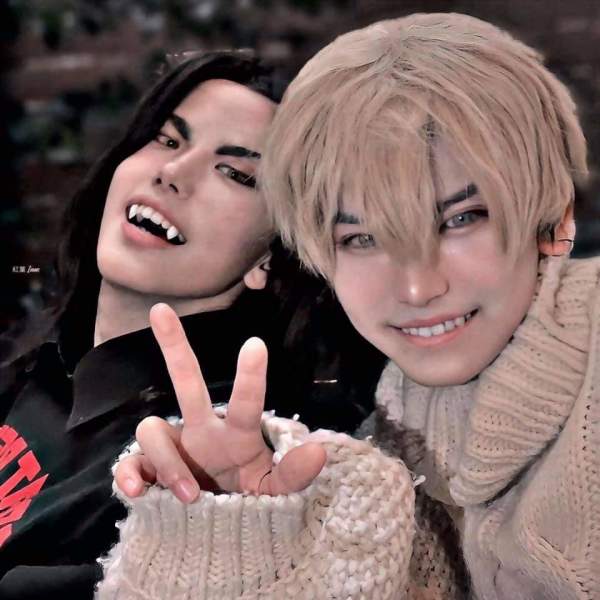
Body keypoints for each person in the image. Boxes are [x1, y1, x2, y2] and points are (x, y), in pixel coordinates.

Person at [100, 12, 599, 600]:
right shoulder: (377, 465)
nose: (416, 290)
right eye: (362, 238)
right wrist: (232, 537)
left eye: (460, 219)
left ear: (555, 217)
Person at [0, 50, 383, 599]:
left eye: (236, 173)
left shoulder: (215, 464)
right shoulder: (35, 359)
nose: (173, 173)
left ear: (269, 257)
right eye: (168, 139)